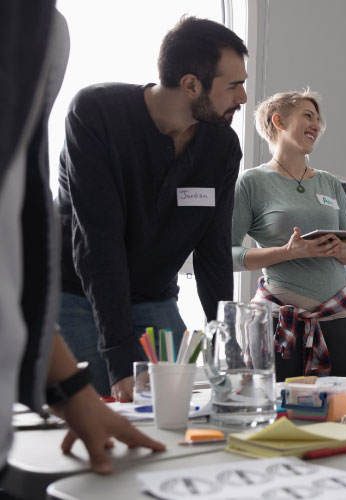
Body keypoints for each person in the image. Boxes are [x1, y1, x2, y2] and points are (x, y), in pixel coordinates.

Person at [0, 1, 164, 473]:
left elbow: (20, 235)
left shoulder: (46, 31)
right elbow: (98, 243)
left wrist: (70, 390)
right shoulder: (95, 109)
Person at [57, 17, 248, 400]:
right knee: (92, 416)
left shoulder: (221, 146)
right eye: (234, 86)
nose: (243, 97)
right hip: (78, 295)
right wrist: (118, 353)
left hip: (156, 298)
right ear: (191, 84)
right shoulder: (96, 114)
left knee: (174, 411)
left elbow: (212, 251)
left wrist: (226, 342)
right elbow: (98, 240)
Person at [234, 90, 346, 379]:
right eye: (307, 115)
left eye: (318, 119)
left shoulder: (329, 182)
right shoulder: (252, 182)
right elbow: (227, 254)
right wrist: (288, 252)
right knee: (278, 411)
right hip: (278, 319)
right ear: (278, 121)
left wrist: (335, 249)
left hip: (335, 315)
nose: (317, 125)